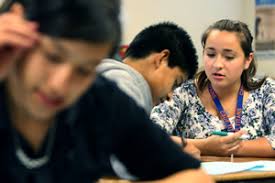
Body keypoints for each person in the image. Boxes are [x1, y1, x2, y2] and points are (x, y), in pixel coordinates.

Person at [0, 0, 213, 182]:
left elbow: (193, 176)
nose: (59, 84)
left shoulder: (100, 99)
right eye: (53, 57)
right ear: (17, 23)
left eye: (84, 70)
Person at [151, 19, 275, 157]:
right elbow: (149, 136)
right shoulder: (183, 92)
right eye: (210, 54)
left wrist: (231, 147)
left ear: (247, 60)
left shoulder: (266, 90)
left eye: (229, 57)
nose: (217, 64)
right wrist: (205, 146)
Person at [97, 22, 200, 158]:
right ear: (162, 59)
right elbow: (128, 157)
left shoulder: (110, 77)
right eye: (175, 83)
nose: (170, 96)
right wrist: (174, 154)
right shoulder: (123, 84)